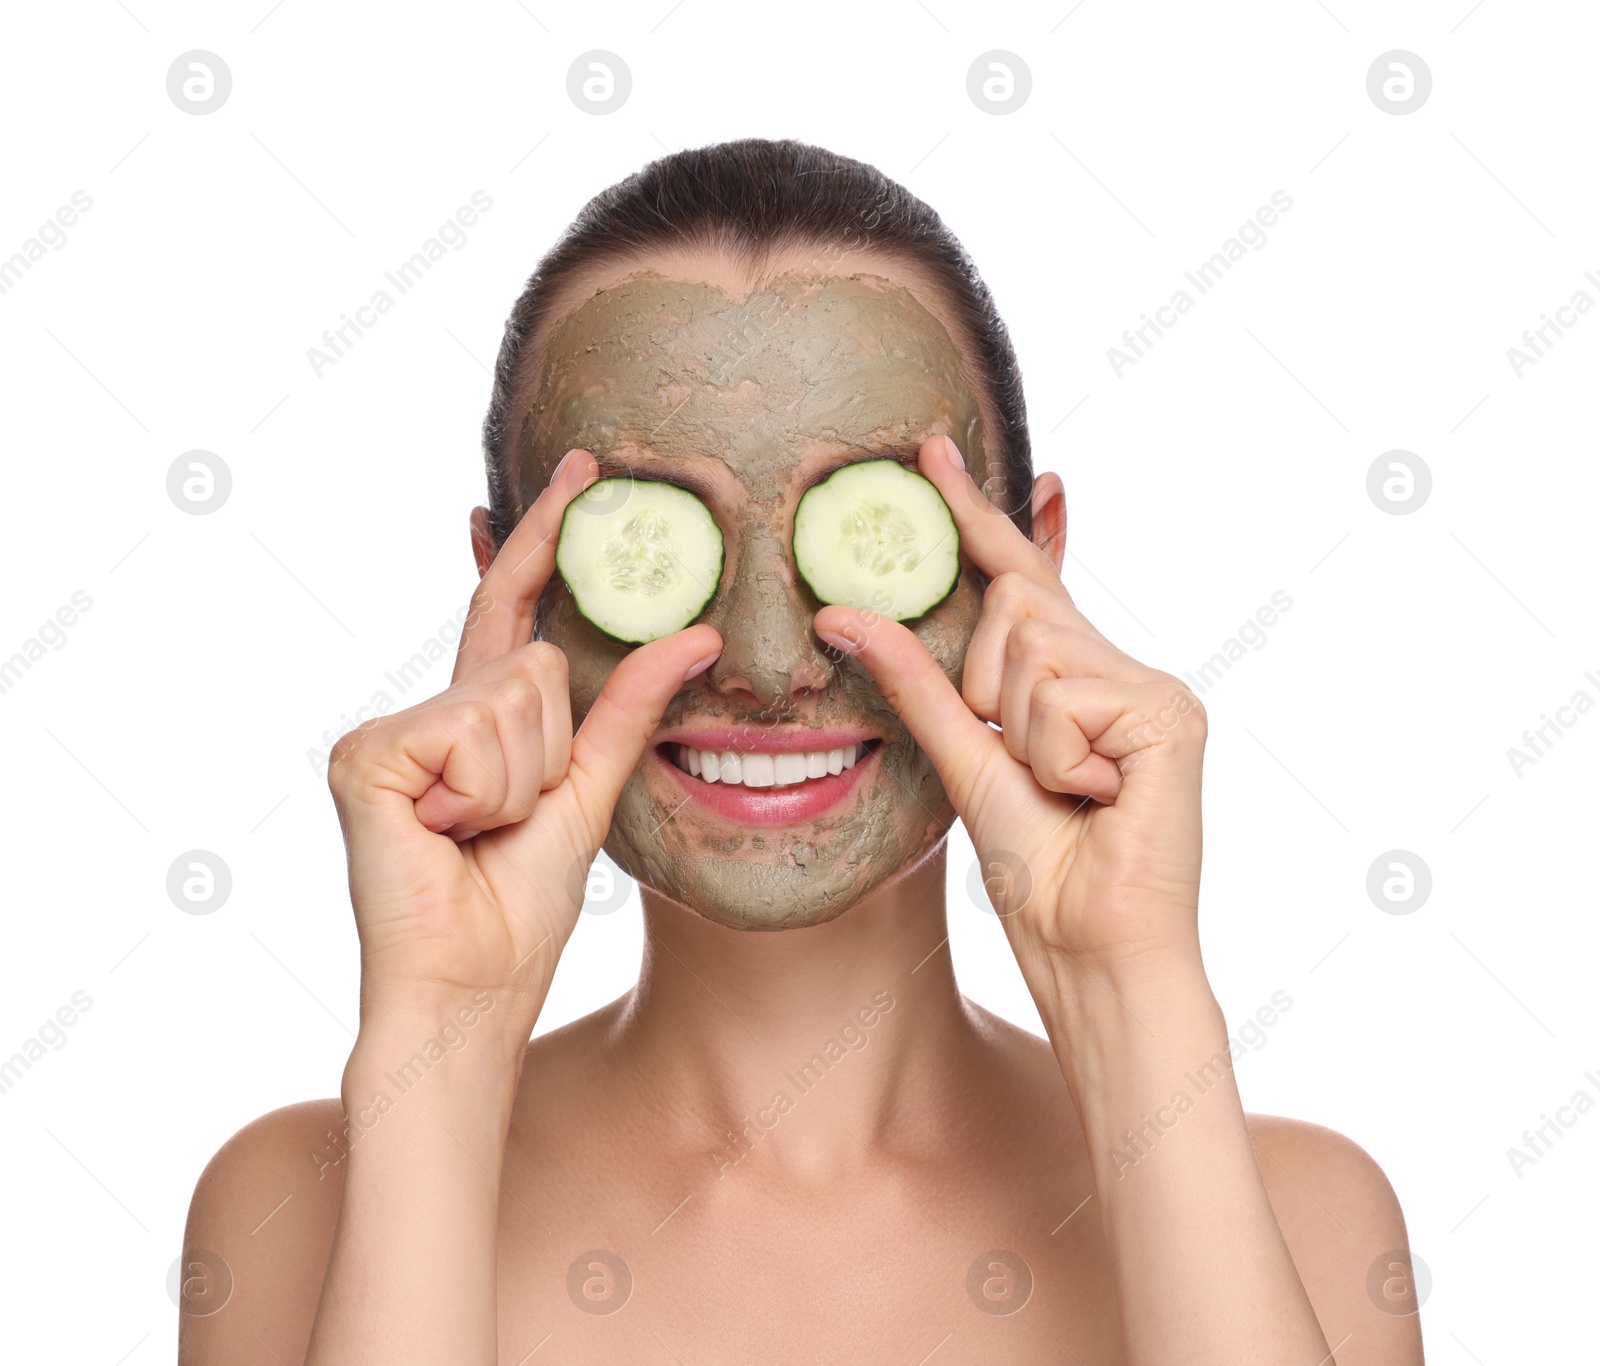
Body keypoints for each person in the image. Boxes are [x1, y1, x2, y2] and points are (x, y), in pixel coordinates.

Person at [180, 139, 1423, 1365]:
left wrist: (1130, 998)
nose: (767, 663)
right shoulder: (295, 1214)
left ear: (1025, 564)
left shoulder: (1305, 1221)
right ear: (511, 593)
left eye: (875, 527)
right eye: (660, 548)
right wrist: (442, 1043)